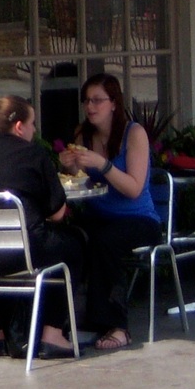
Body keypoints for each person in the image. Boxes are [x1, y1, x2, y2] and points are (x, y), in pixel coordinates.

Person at [0, 95, 84, 356]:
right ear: (19, 126)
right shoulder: (33, 154)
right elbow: (57, 214)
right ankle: (52, 335)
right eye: (32, 123)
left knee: (0, 255)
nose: (34, 130)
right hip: (22, 253)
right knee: (73, 244)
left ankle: (0, 334)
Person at [62, 73, 160, 352]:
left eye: (97, 100)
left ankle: (117, 325)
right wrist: (71, 167)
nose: (90, 106)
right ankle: (71, 319)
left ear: (114, 103)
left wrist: (103, 164)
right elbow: (82, 181)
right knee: (68, 238)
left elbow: (134, 188)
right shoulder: (83, 134)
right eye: (86, 101)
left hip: (138, 218)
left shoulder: (134, 134)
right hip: (98, 215)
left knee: (105, 241)